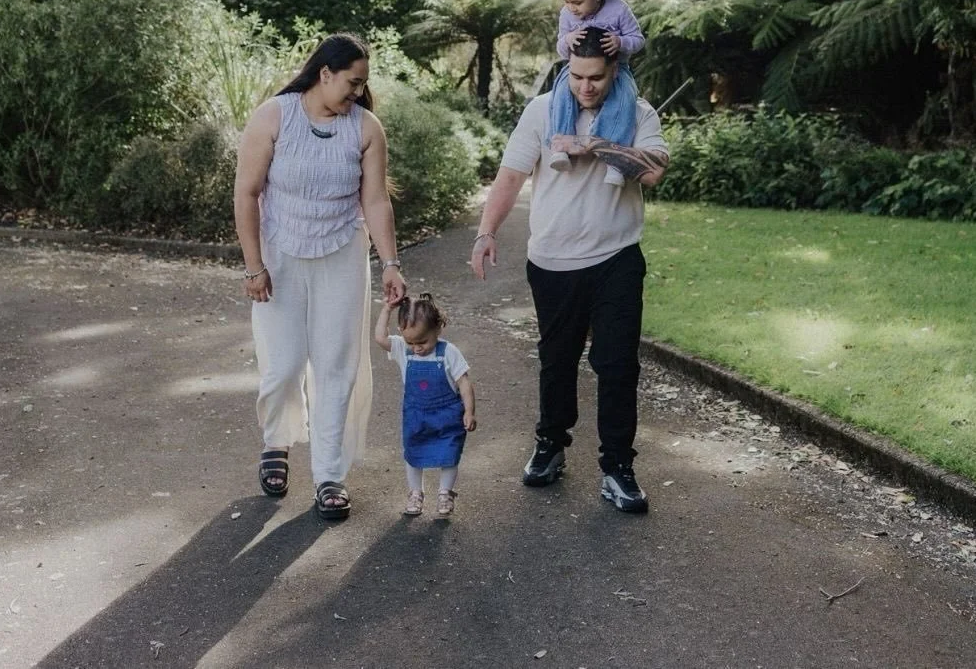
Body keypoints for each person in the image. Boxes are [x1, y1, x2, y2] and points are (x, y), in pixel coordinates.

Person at [471, 26, 668, 513]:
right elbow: (511, 175)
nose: (585, 87)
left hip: (616, 257)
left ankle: (618, 466)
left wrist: (595, 145)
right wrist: (486, 233)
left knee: (618, 364)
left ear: (614, 70)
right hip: (553, 261)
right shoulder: (542, 111)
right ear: (566, 70)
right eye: (577, 77)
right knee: (557, 360)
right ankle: (551, 444)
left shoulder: (638, 112)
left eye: (596, 78)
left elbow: (654, 170)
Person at [234, 32, 407, 522]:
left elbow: (375, 201)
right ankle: (277, 441)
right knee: (284, 362)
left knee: (336, 365)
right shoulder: (274, 116)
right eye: (351, 82)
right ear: (324, 73)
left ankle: (330, 475)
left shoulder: (366, 128)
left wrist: (390, 263)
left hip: (341, 254)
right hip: (279, 255)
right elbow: (246, 193)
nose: (357, 92)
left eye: (362, 84)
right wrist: (254, 266)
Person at [375, 292, 476, 517]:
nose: (417, 348)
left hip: (447, 415)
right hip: (416, 415)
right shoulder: (403, 348)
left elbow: (464, 382)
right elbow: (381, 339)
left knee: (449, 453)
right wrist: (386, 310)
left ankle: (445, 493)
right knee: (413, 453)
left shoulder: (448, 352)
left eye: (422, 341)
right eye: (411, 342)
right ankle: (415, 492)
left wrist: (469, 411)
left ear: (438, 329)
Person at [550, 0, 646, 187]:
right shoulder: (567, 14)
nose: (572, 8)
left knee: (624, 99)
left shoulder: (619, 9)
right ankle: (561, 145)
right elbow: (560, 47)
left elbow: (638, 40)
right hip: (576, 68)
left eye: (578, 2)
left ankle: (614, 160)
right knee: (561, 92)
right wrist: (567, 40)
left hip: (616, 69)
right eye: (567, 2)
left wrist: (620, 41)